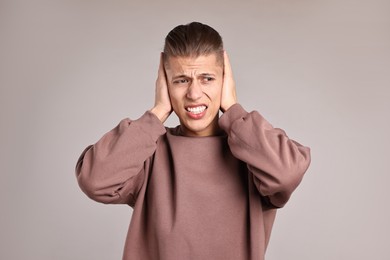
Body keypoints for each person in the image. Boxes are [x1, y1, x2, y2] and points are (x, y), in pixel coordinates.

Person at [75, 22, 311, 260]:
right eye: (181, 80)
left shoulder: (254, 153)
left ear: (225, 80)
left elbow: (286, 174)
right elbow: (94, 180)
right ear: (164, 83)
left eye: (207, 78)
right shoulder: (149, 152)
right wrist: (156, 113)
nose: (194, 93)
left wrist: (233, 109)